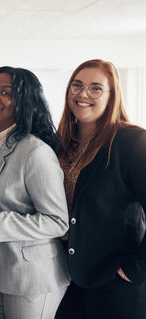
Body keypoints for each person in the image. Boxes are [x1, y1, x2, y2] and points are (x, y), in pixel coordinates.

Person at [0, 66, 70, 319]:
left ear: (25, 102)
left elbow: (57, 221)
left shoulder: (35, 152)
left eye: (6, 92)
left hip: (33, 276)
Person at [54, 59, 146, 319]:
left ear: (111, 96)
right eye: (77, 85)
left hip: (115, 283)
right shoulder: (61, 145)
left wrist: (135, 269)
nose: (83, 94)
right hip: (67, 279)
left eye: (95, 88)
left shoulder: (132, 142)